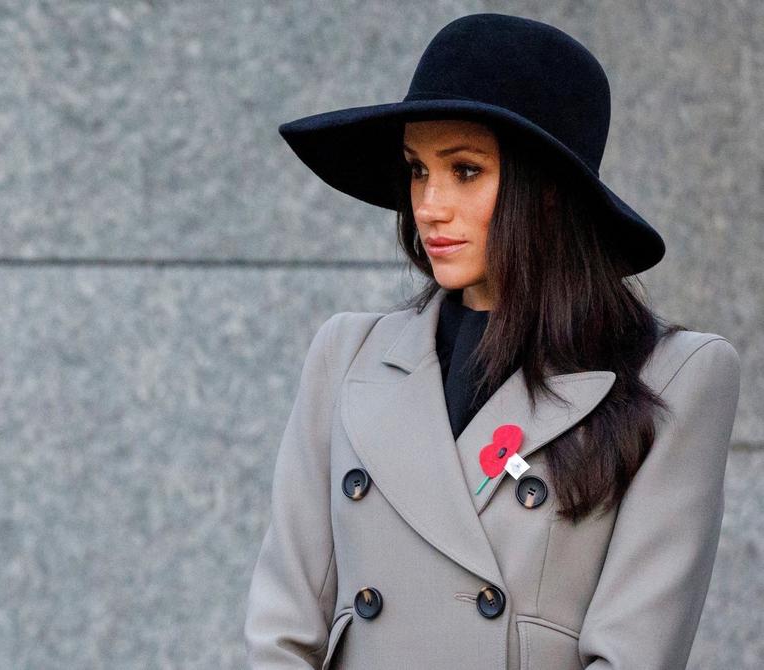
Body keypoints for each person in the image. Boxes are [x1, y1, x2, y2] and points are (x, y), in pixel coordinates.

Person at [243, 12, 741, 670]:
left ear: (548, 192)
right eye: (417, 170)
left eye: (465, 170)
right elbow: (282, 630)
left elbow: (633, 654)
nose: (429, 205)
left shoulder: (674, 375)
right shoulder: (347, 355)